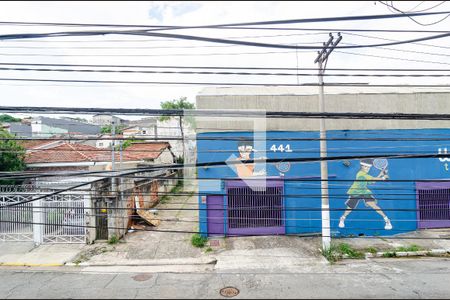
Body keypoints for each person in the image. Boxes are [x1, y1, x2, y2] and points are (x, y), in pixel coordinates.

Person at [338, 159, 392, 230]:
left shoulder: (366, 175)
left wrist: (381, 174)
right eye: (365, 167)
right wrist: (383, 178)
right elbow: (372, 179)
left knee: (374, 205)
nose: (367, 169)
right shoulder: (361, 174)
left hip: (364, 191)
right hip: (356, 191)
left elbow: (372, 182)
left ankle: (387, 220)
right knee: (350, 207)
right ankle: (342, 218)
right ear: (361, 167)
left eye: (368, 167)